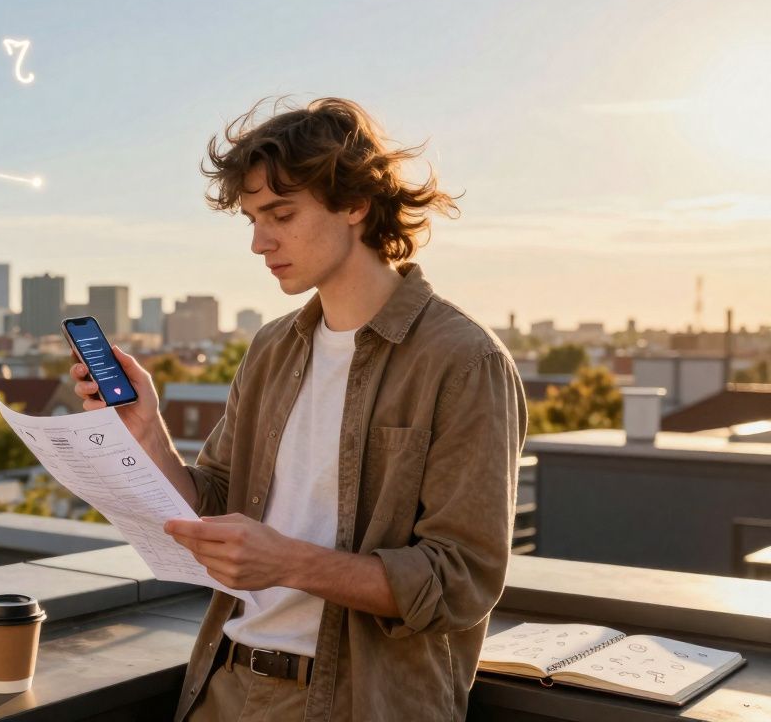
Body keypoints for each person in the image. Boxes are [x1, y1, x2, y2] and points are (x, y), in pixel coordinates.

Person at [69, 97, 528, 721]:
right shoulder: (272, 347)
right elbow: (220, 504)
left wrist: (289, 562)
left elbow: (460, 581)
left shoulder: (463, 362)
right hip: (223, 686)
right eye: (253, 219)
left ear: (355, 204)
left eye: (280, 214)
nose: (260, 242)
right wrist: (149, 434)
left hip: (360, 704)